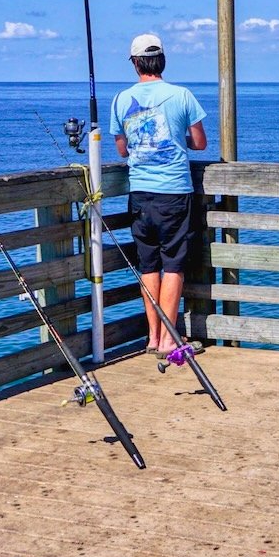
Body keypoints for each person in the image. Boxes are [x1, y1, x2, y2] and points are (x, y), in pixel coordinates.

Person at [110, 33, 208, 358]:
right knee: (174, 266)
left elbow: (122, 149)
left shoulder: (121, 99)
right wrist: (178, 139)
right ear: (162, 60)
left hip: (140, 194)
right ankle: (169, 339)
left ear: (135, 63)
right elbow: (200, 143)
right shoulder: (181, 95)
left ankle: (153, 337)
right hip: (174, 193)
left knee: (148, 266)